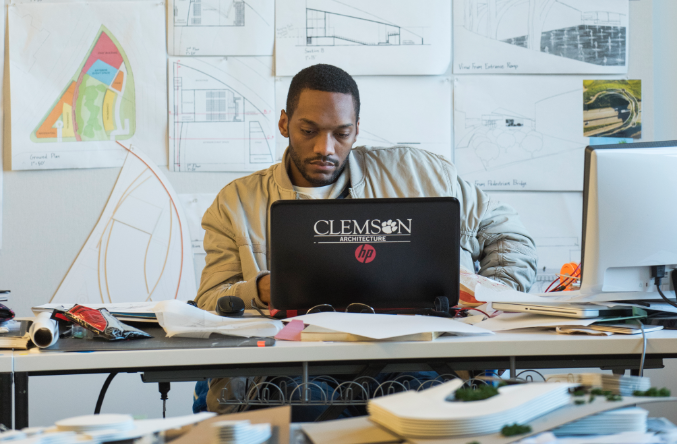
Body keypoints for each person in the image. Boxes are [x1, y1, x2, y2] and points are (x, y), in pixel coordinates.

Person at [193, 64, 538, 415]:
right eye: (308, 130)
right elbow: (209, 299)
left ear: (357, 130)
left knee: (439, 410)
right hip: (300, 368)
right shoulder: (235, 202)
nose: (323, 148)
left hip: (417, 360)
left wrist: (488, 304)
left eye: (341, 134)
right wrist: (263, 288)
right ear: (284, 124)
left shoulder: (420, 174)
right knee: (302, 407)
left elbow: (511, 237)